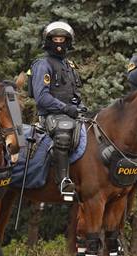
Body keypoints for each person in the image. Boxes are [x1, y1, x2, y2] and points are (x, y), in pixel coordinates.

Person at [28, 21, 84, 200]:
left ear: (68, 42)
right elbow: (41, 97)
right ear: (48, 41)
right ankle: (63, 181)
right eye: (55, 39)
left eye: (62, 39)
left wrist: (78, 106)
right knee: (63, 134)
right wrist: (65, 108)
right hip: (50, 115)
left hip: (70, 112)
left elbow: (74, 94)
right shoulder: (42, 64)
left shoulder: (69, 65)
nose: (59, 43)